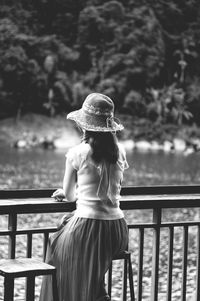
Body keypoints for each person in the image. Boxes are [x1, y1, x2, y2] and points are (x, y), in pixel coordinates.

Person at [39, 93, 129, 301]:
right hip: (117, 230)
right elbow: (112, 188)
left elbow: (70, 197)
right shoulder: (120, 151)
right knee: (89, 268)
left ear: (85, 126)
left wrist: (67, 192)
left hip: (90, 228)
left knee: (56, 249)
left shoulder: (78, 153)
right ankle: (95, 292)